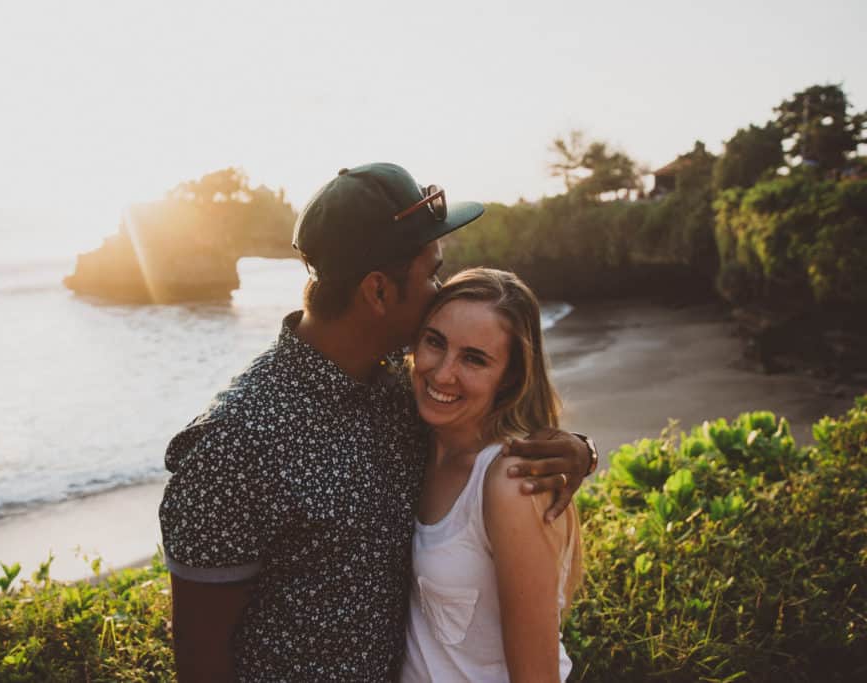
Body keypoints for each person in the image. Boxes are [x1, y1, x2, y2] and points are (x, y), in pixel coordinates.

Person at [159, 163, 597, 682]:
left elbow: (484, 447)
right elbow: (198, 656)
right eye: (432, 272)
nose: (439, 289)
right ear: (379, 292)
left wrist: (579, 451)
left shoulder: (402, 389)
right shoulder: (237, 443)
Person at [401, 268, 582, 683]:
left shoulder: (510, 482)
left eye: (474, 359)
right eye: (435, 342)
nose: (443, 374)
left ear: (511, 377)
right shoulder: (414, 440)